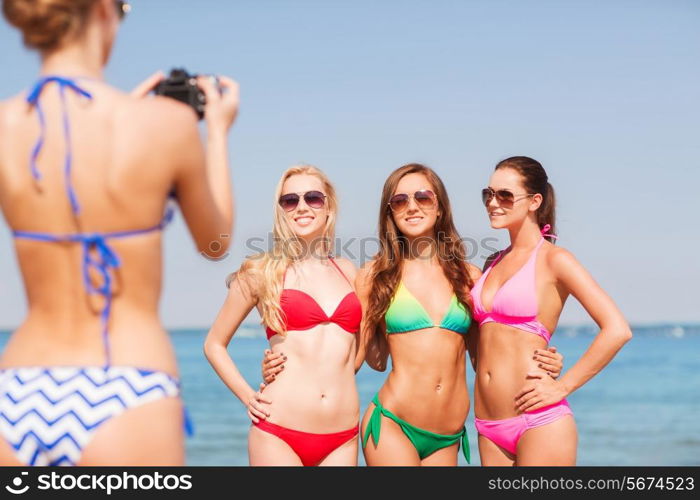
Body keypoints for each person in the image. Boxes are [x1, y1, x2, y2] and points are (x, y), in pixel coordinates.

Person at [0, 0, 238, 466]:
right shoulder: (165, 126)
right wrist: (218, 133)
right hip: (127, 379)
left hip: (19, 383)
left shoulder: (6, 126)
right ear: (105, 11)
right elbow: (215, 244)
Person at [263, 163, 564, 466]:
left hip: (447, 436)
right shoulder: (376, 276)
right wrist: (288, 371)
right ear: (390, 212)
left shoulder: (469, 276)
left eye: (423, 197)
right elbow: (354, 357)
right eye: (399, 201)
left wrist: (539, 358)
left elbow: (486, 354)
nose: (411, 207)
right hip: (393, 424)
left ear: (439, 208)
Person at [470, 156, 632, 465]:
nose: (493, 202)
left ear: (534, 201)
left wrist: (563, 385)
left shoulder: (555, 260)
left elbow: (617, 329)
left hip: (539, 422)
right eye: (487, 194)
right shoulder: (492, 263)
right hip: (488, 426)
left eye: (504, 195)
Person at [205, 165, 362, 466]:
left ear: (329, 206)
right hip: (280, 432)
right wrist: (247, 395)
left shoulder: (349, 273)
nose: (301, 206)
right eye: (290, 200)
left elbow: (358, 351)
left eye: (313, 198)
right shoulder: (261, 272)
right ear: (282, 211)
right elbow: (214, 344)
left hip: (343, 436)